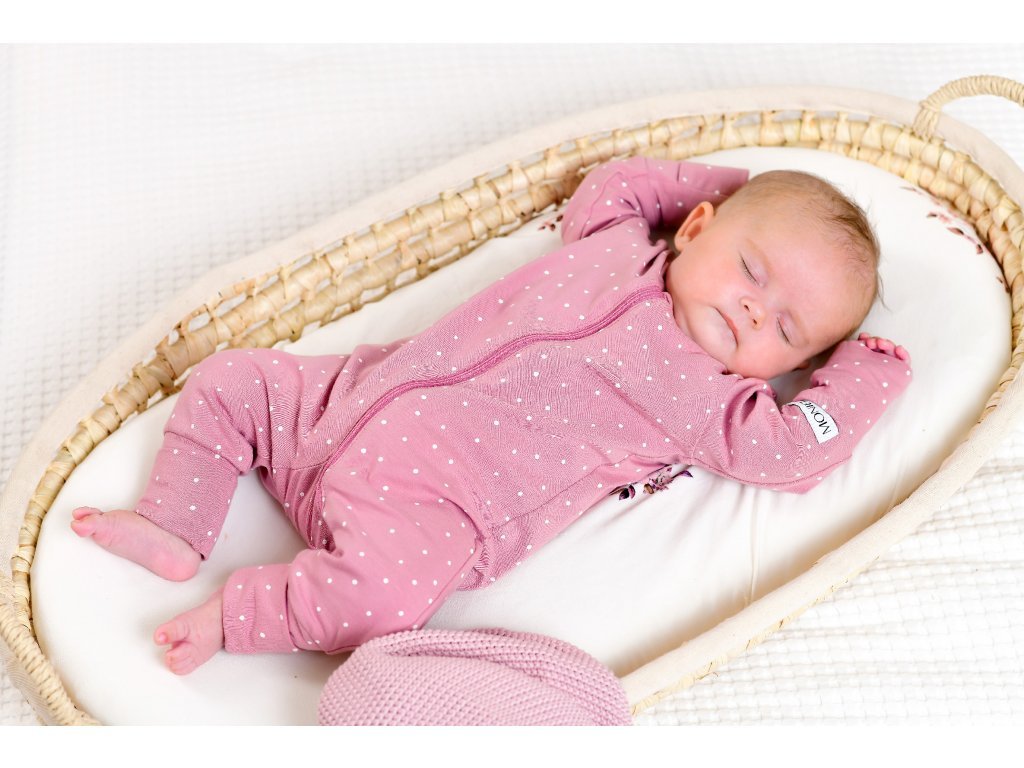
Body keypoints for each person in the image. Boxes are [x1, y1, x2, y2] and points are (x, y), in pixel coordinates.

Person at [71, 156, 911, 675]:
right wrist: (740, 183)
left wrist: (865, 372)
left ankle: (239, 615)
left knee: (382, 602)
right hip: (344, 402)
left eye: (787, 330)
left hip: (428, 510)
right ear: (695, 228)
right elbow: (618, 181)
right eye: (752, 269)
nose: (756, 310)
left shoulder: (712, 402)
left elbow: (796, 451)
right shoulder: (615, 241)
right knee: (230, 379)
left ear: (789, 366)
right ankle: (176, 525)